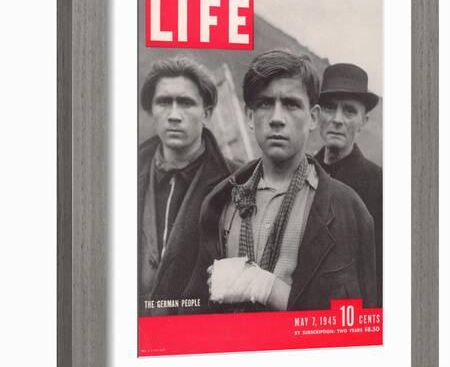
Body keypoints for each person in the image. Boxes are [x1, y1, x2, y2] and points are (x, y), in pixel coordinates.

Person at [182, 50, 377, 313]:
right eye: (264, 103)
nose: (276, 118)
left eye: (291, 104)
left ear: (312, 118)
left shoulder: (348, 210)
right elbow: (192, 315)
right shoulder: (219, 202)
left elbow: (356, 322)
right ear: (249, 117)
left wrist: (264, 286)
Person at [138, 56, 237, 315]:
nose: (173, 115)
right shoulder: (123, 177)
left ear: (206, 113)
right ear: (151, 110)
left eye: (185, 103)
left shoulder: (237, 182)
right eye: (163, 102)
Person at [315, 63, 382, 305]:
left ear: (363, 121)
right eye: (330, 108)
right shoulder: (301, 175)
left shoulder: (381, 186)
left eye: (349, 111)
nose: (337, 120)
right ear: (316, 114)